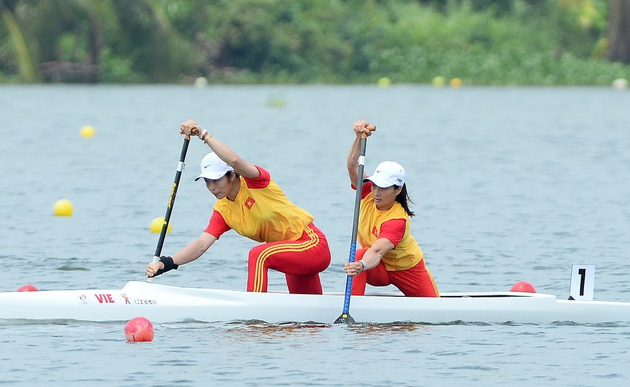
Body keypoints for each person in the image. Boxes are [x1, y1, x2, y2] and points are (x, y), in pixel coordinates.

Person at [146, 119, 331, 294]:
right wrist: (167, 263)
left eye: (216, 180)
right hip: (290, 255)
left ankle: (254, 319)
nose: (211, 187)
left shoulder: (256, 182)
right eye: (207, 182)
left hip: (311, 244)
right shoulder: (223, 210)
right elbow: (201, 244)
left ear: (232, 175)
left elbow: (234, 161)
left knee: (258, 255)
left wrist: (203, 134)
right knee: (307, 323)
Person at [343, 120, 439, 297]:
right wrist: (358, 138)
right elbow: (352, 166)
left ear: (398, 190)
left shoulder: (396, 220)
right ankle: (353, 305)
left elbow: (377, 251)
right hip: (377, 268)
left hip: (406, 268)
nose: (376, 193)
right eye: (375, 186)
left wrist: (361, 266)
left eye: (384, 188)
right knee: (359, 254)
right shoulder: (367, 193)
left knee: (436, 311)